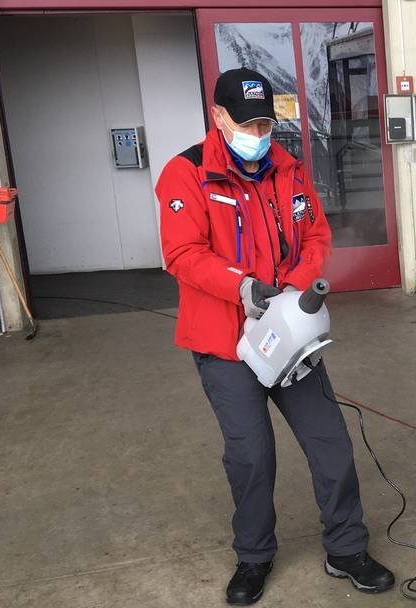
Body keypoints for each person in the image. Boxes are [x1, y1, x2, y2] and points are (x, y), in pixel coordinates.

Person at [155, 68, 394, 605]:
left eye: (266, 123)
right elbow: (182, 253)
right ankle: (254, 557)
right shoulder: (186, 174)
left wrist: (290, 290)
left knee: (330, 441)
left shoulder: (288, 169)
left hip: (287, 333)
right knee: (252, 456)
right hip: (225, 343)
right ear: (219, 117)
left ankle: (346, 548)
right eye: (248, 123)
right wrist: (240, 286)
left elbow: (315, 235)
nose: (259, 135)